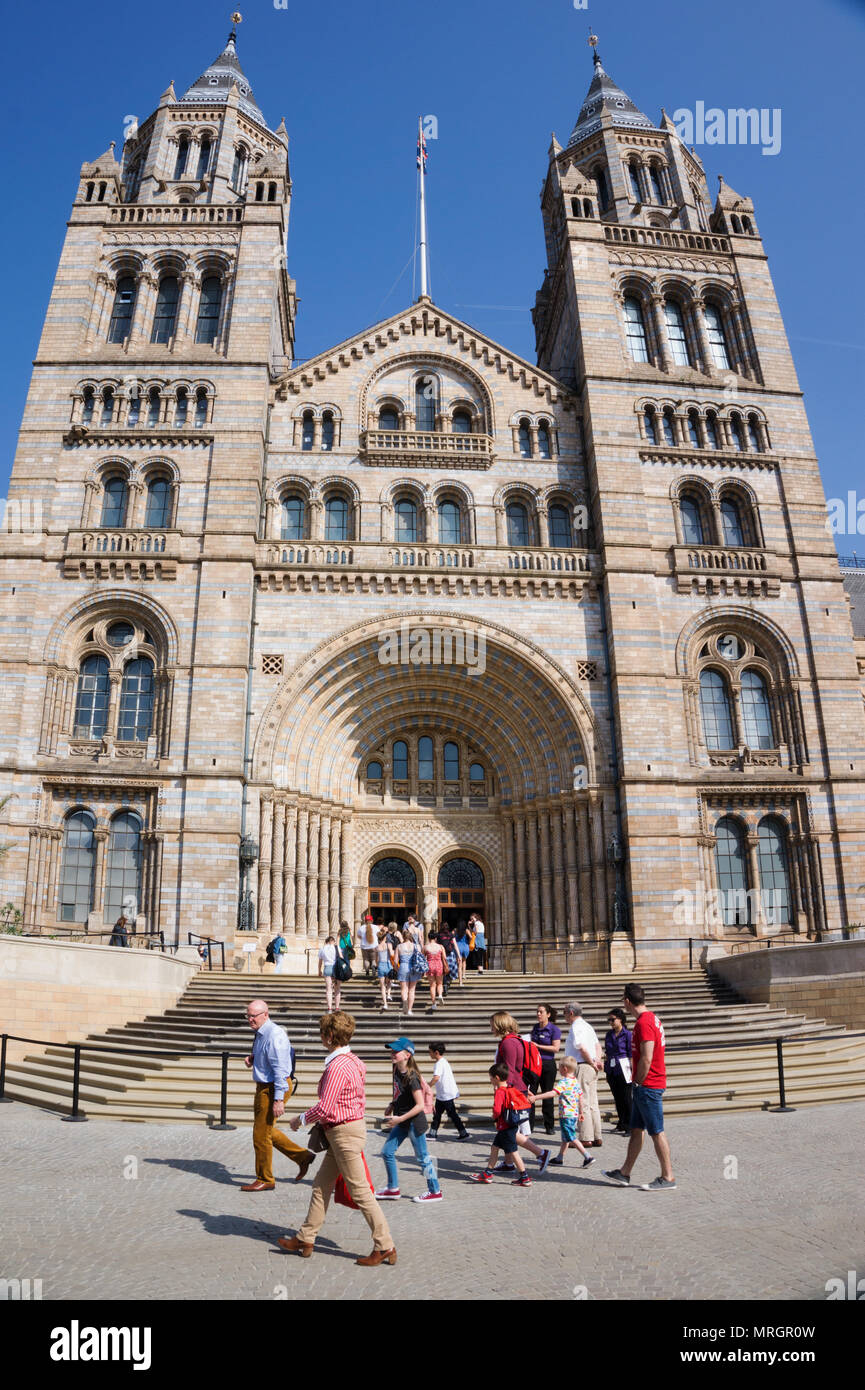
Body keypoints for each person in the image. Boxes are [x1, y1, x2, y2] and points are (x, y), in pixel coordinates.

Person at [278, 1011, 397, 1265]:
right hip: (343, 1131)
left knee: (361, 1192)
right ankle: (306, 1237)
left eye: (323, 1033)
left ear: (330, 1036)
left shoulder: (337, 1066)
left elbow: (326, 1107)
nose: (321, 1037)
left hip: (343, 1133)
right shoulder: (354, 1061)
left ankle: (385, 1244)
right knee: (321, 1186)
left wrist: (299, 1119)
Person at [604, 984, 676, 1191]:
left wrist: (638, 1082)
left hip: (648, 1085)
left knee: (656, 1131)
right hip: (645, 1084)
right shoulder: (650, 1018)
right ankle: (624, 1172)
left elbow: (646, 1057)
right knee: (636, 1129)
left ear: (627, 1001)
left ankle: (668, 1177)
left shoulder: (644, 1023)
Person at [240, 999, 314, 1192]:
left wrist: (278, 1100)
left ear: (266, 1014)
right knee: (265, 1130)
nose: (250, 1019)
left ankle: (265, 1178)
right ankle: (303, 1157)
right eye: (247, 1016)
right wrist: (254, 1059)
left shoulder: (275, 1035)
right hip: (264, 1085)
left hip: (274, 1086)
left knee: (260, 1134)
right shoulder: (261, 1033)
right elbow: (266, 1056)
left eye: (253, 1016)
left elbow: (281, 1069)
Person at [376, 1038, 442, 1203]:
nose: (392, 1054)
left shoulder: (412, 1077)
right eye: (391, 1051)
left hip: (413, 1122)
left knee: (422, 1158)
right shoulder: (396, 1069)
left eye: (395, 1051)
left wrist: (399, 1119)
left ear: (407, 1055)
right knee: (387, 1152)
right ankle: (393, 1188)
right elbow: (400, 1093)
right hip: (402, 1120)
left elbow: (419, 1105)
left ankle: (435, 1191)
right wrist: (392, 1104)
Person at [489, 1012, 551, 1171]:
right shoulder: (516, 1040)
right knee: (509, 1129)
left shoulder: (507, 1043)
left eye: (492, 1024)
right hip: (518, 1087)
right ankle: (509, 1163)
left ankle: (541, 1153)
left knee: (508, 1130)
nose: (490, 1028)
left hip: (511, 1090)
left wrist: (501, 1091)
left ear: (499, 1025)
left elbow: (508, 1071)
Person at [469, 1064, 536, 1188]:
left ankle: (524, 1177)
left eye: (491, 1078)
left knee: (514, 1152)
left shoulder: (500, 1092)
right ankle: (488, 1173)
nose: (490, 1080)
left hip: (505, 1127)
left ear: (497, 1078)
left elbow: (497, 1109)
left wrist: (494, 1117)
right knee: (494, 1148)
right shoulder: (511, 1088)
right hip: (509, 1125)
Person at [532, 1056, 595, 1169]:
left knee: (571, 1137)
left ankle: (587, 1156)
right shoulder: (575, 1081)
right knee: (565, 1137)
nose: (558, 1070)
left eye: (559, 1068)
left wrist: (536, 1097)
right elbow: (581, 1097)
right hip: (574, 1114)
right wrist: (581, 1112)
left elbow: (553, 1093)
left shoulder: (564, 1082)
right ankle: (559, 1158)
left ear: (564, 1069)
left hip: (566, 1115)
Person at [562, 1001, 603, 1147]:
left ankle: (586, 1137)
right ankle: (597, 1135)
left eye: (564, 1013)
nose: (564, 1016)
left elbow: (582, 1048)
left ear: (571, 1013)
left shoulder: (576, 1027)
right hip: (591, 1066)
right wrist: (597, 1060)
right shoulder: (588, 1026)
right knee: (593, 1102)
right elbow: (598, 1046)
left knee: (583, 1102)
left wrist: (591, 1062)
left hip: (582, 1065)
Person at [427, 1042, 471, 1141]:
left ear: (436, 1052)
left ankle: (463, 1133)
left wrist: (427, 1086)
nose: (429, 1054)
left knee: (450, 1114)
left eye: (430, 1052)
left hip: (445, 1094)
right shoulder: (444, 1062)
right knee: (439, 1114)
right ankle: (433, 1133)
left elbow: (436, 1078)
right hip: (444, 1094)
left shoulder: (439, 1064)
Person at [530, 1003, 562, 1135]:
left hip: (548, 1064)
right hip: (534, 1064)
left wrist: (538, 1045)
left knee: (547, 1093)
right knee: (531, 1093)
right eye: (537, 1012)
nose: (538, 1014)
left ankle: (549, 1125)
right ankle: (529, 1125)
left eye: (541, 1012)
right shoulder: (535, 1028)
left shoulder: (554, 1029)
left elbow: (556, 1048)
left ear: (548, 1014)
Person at [604, 1007, 633, 1135]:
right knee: (617, 1098)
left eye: (612, 1019)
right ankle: (621, 1122)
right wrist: (606, 1071)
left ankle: (630, 1126)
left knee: (627, 1098)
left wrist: (632, 1071)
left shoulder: (628, 1034)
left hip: (624, 1067)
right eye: (609, 1020)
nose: (610, 1022)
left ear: (620, 1019)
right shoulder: (609, 1034)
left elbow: (631, 1054)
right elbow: (607, 1052)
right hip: (612, 1068)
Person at [395, 932, 418, 1016]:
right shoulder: (415, 946)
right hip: (413, 968)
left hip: (403, 967)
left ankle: (405, 1000)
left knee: (404, 989)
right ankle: (410, 1010)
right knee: (412, 990)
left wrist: (397, 969)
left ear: (403, 937)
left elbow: (395, 961)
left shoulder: (399, 946)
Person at [424, 930, 447, 1010]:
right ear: (436, 938)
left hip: (430, 965)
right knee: (440, 984)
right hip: (439, 965)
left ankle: (434, 1004)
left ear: (428, 937)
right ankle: (440, 995)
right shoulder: (440, 946)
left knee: (432, 985)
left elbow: (423, 959)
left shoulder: (426, 947)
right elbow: (444, 957)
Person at [318, 935, 340, 1012]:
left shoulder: (322, 949)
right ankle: (337, 1008)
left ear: (326, 941)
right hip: (336, 968)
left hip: (327, 967)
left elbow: (320, 961)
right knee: (337, 989)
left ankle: (329, 1008)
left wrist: (319, 970)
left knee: (328, 989)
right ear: (333, 941)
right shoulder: (336, 948)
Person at [375, 927, 396, 1010]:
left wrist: (377, 965)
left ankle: (385, 1004)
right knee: (389, 981)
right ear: (385, 937)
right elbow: (391, 954)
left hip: (380, 966)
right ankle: (389, 994)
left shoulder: (377, 947)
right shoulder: (388, 945)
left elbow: (377, 959)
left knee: (382, 986)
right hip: (388, 965)